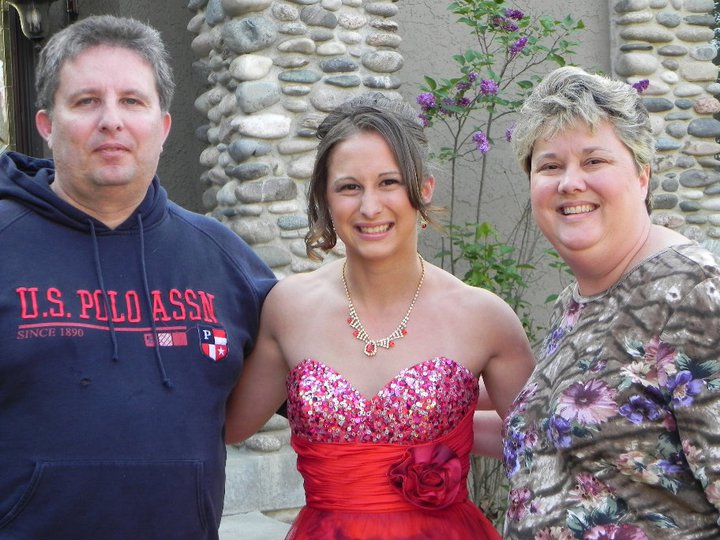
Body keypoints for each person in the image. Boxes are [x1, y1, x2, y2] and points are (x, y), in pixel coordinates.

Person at [0, 15, 276, 540]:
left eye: (132, 101)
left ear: (163, 126)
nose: (111, 121)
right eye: (86, 101)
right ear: (46, 124)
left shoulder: (222, 258)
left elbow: (321, 366)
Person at [225, 92, 535, 539]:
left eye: (388, 182)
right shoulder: (288, 307)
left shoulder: (484, 318)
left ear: (423, 189)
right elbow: (229, 425)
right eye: (349, 187)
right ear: (326, 197)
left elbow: (544, 446)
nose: (369, 207)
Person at [503, 65, 720, 538]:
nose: (569, 183)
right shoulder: (577, 303)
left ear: (642, 176)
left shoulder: (692, 295)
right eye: (550, 166)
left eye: (594, 161)